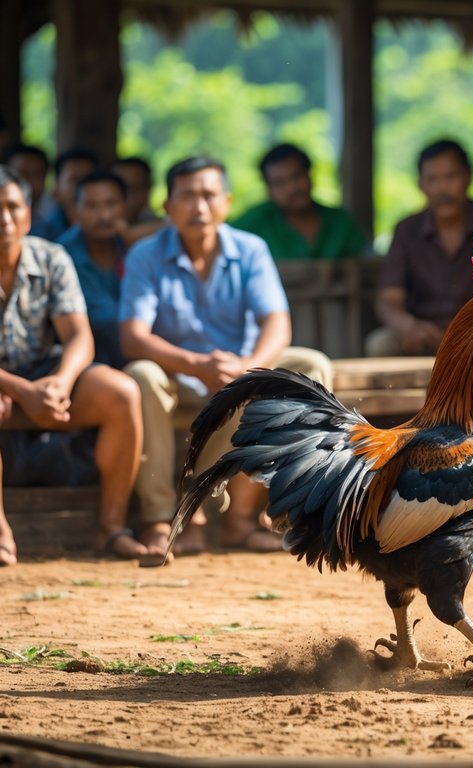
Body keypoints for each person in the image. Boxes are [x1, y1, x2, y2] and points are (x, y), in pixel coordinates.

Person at [0, 164, 147, 566]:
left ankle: (111, 528)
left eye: (13, 206)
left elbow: (79, 336)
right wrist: (19, 390)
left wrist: (59, 383)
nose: (5, 218)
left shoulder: (52, 258)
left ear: (28, 213)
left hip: (43, 371)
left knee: (122, 391)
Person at [120, 155, 333, 555]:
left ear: (227, 202)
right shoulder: (145, 255)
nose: (199, 206)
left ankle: (245, 519)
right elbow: (133, 337)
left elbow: (277, 324)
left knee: (311, 367)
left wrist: (249, 368)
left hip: (239, 369)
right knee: (141, 375)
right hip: (176, 373)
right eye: (187, 196)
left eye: (208, 195)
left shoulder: (250, 249)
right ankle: (161, 517)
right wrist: (196, 364)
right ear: (167, 207)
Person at [369, 140, 473, 357]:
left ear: (469, 176)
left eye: (450, 177)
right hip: (424, 334)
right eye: (432, 179)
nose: (442, 188)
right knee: (380, 344)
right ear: (421, 185)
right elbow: (389, 298)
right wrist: (408, 326)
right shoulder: (407, 229)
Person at [231, 143, 366, 261]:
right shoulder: (255, 221)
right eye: (279, 183)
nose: (292, 188)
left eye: (297, 176)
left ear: (310, 175)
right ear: (268, 189)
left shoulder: (340, 222)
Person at [57, 171, 130, 368]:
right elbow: (107, 317)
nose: (104, 215)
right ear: (75, 210)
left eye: (111, 204)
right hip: (85, 365)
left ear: (125, 205)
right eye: (92, 206)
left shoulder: (132, 246)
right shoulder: (62, 255)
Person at [39, 148, 99, 242]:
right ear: (56, 187)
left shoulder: (110, 231)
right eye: (74, 180)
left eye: (87, 179)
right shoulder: (41, 232)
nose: (81, 188)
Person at [112, 156, 159, 224]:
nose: (131, 194)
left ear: (149, 188)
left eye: (137, 188)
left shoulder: (164, 228)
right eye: (124, 188)